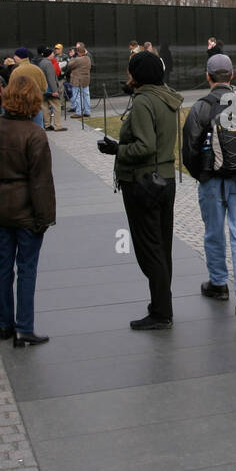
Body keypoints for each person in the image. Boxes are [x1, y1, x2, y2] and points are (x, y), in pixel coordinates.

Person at [97, 51, 183, 330]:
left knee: (150, 250)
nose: (127, 75)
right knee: (162, 246)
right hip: (164, 179)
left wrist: (117, 149)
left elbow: (145, 146)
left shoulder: (145, 101)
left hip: (143, 182)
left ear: (139, 75)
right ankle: (161, 305)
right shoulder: (165, 96)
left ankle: (161, 311)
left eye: (130, 71)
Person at [0, 76, 55, 347]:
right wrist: (45, 218)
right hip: (26, 204)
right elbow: (41, 181)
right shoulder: (34, 133)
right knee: (27, 268)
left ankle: (5, 325)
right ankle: (24, 327)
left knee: (2, 265)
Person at [181, 53, 236, 322]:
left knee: (213, 233)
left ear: (208, 76)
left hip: (211, 181)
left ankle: (218, 283)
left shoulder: (201, 107)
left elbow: (189, 150)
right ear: (232, 76)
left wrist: (202, 175)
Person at [8, 48, 47, 127]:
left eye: (15, 55)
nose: (14, 57)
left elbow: (11, 89)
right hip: (36, 103)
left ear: (19, 56)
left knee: (23, 128)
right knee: (39, 127)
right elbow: (44, 87)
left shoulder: (16, 71)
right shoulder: (37, 69)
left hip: (21, 105)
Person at [65, 43, 92, 118]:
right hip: (86, 80)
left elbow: (69, 65)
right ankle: (87, 111)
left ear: (78, 52)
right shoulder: (88, 58)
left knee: (77, 96)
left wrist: (73, 57)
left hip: (77, 80)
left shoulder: (77, 60)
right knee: (86, 96)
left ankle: (79, 112)